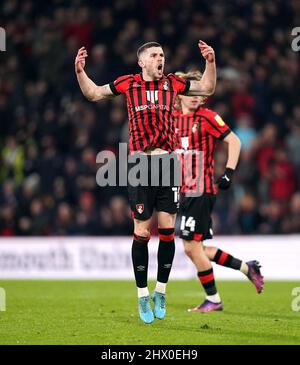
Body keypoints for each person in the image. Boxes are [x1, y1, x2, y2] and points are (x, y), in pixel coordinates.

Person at [75, 41, 217, 323]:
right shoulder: (128, 83)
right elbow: (93, 93)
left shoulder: (173, 84)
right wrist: (80, 71)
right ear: (141, 62)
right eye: (154, 55)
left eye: (162, 54)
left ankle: (161, 290)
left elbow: (207, 88)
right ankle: (142, 295)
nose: (160, 58)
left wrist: (210, 62)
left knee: (167, 230)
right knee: (141, 232)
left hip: (168, 163)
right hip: (141, 164)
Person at [174, 70, 264, 312]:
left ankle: (213, 299)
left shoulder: (208, 117)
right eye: (189, 92)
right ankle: (248, 268)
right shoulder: (171, 120)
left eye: (199, 93)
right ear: (180, 95)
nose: (194, 97)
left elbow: (234, 141)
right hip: (185, 191)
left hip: (200, 190)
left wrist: (229, 171)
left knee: (190, 248)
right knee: (200, 249)